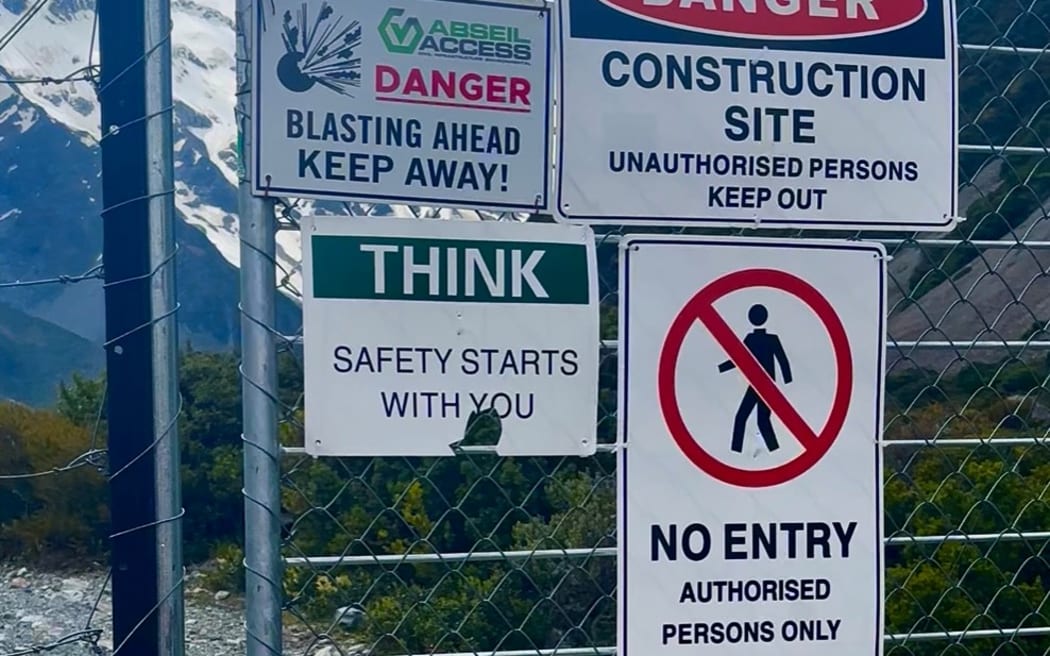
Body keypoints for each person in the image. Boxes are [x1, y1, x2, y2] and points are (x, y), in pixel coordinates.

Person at [717, 303, 792, 453]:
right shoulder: (769, 339)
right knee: (759, 419)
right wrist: (787, 379)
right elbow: (782, 360)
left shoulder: (752, 339)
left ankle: (741, 450)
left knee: (747, 418)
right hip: (763, 386)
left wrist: (721, 368)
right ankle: (771, 450)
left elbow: (738, 358)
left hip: (761, 385)